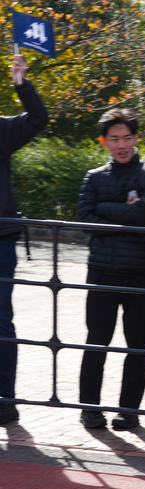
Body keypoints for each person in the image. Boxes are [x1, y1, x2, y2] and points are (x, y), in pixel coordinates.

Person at [77, 109, 145, 430]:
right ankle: (89, 408)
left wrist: (105, 211)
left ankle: (129, 410)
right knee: (95, 341)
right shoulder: (93, 176)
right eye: (114, 139)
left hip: (141, 271)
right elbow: (85, 220)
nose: (121, 144)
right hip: (102, 271)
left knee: (138, 344)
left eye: (127, 137)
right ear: (104, 141)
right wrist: (124, 213)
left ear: (137, 138)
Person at [0, 54, 48, 427]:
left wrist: (22, 84)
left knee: (0, 321)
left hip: (0, 239)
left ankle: (5, 400)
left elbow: (37, 120)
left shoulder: (1, 130)